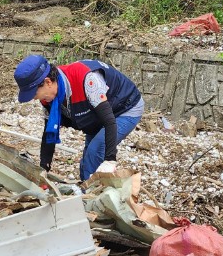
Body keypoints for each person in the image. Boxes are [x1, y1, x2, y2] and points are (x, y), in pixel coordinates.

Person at [13, 52, 144, 183]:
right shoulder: (49, 98)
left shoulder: (87, 79)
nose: (35, 98)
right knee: (88, 161)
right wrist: (43, 168)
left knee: (95, 151)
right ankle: (88, 190)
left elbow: (109, 121)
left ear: (48, 82)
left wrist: (110, 160)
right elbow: (49, 133)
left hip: (125, 108)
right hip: (95, 114)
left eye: (34, 93)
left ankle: (94, 196)